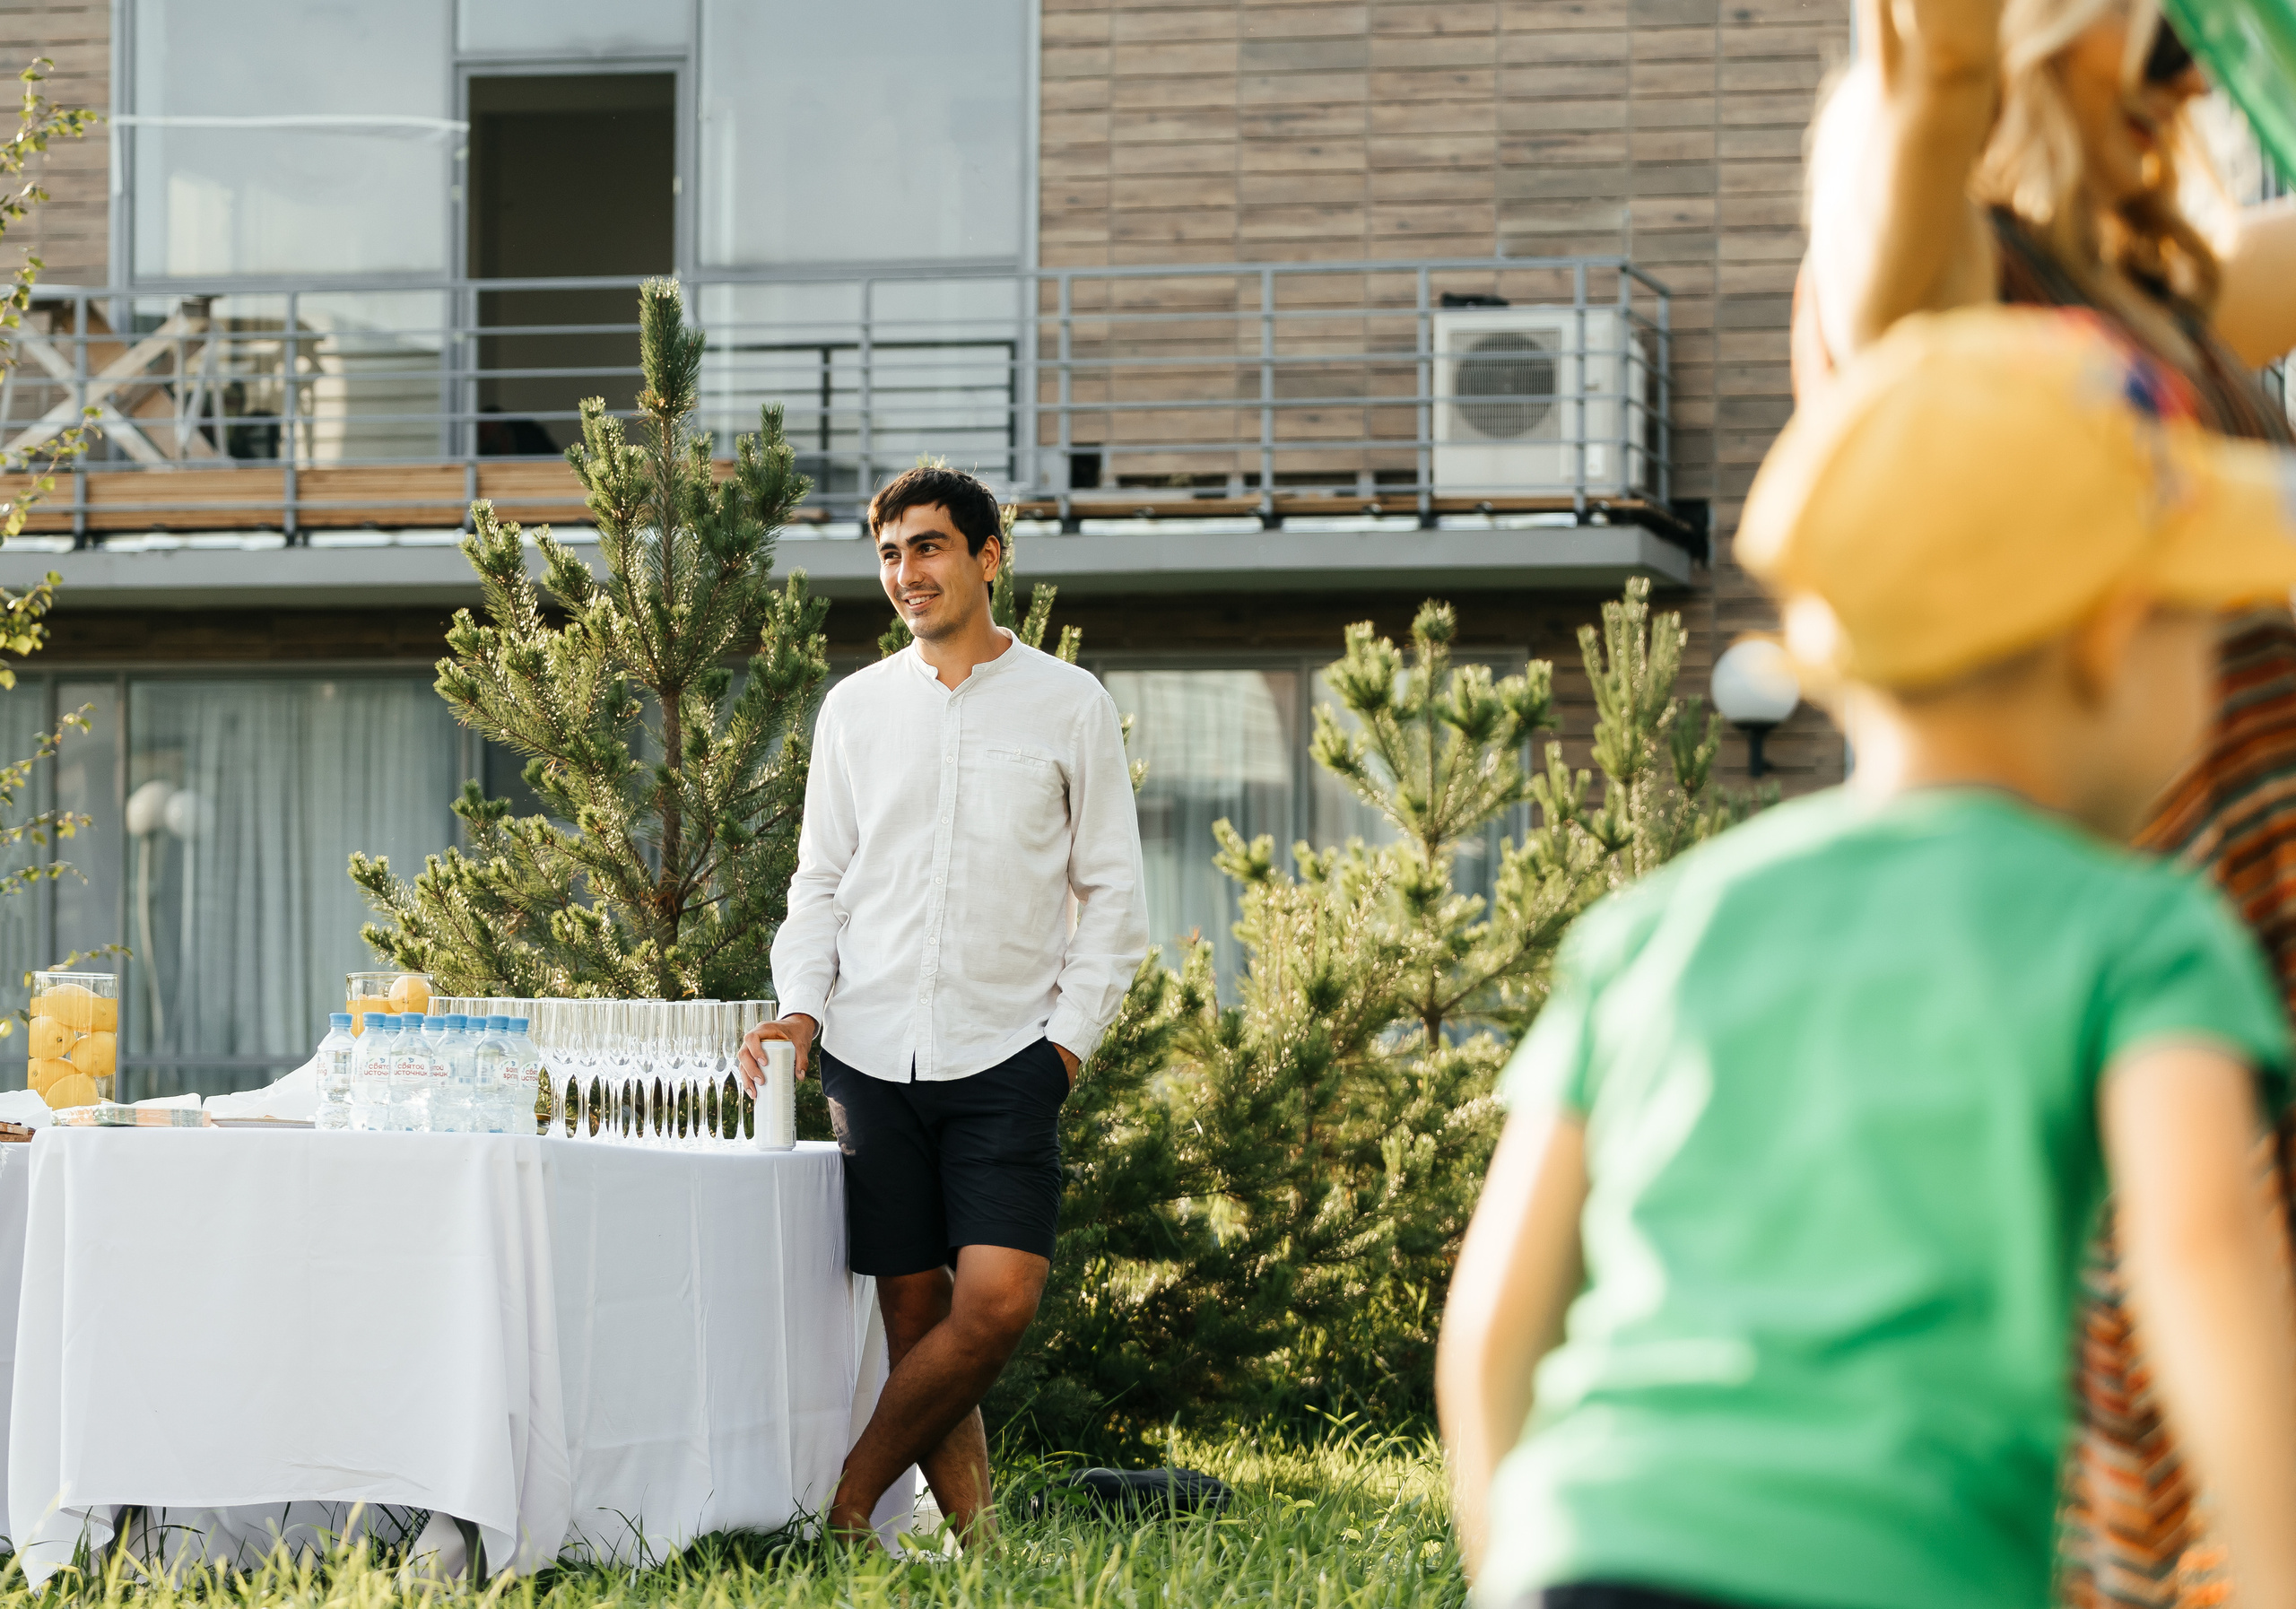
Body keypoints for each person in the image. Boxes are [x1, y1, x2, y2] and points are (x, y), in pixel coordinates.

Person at [1436, 308, 2296, 1609]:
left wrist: (1515, 1565)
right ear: (2114, 636)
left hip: (1590, 1550)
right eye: (2212, 624)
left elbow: (1496, 1325)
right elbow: (2203, 1268)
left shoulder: (1658, 926)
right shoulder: (2138, 932)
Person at [1800, 3, 2296, 1593]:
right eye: (2160, 31)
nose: (2189, 63)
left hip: (2253, 938)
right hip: (2125, 968)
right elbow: (1929, 82)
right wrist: (1946, 64)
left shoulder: (2157, 291)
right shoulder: (1950, 287)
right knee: (2168, 1462)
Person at [739, 464, 1148, 1548]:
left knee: (997, 1305)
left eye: (928, 546)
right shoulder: (855, 709)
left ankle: (844, 1506)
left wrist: (1065, 1047)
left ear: (987, 556)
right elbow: (820, 882)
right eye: (890, 553)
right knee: (916, 1317)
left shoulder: (1069, 703)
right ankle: (979, 1545)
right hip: (869, 1054)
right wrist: (801, 1011)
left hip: (1010, 1053)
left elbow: (1113, 895)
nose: (906, 572)